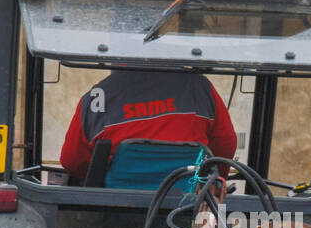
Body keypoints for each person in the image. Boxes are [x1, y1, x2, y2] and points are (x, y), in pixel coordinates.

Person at [59, 69, 237, 182]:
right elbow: (225, 145)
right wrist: (213, 183)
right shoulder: (200, 87)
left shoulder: (98, 97)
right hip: (189, 212)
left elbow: (72, 162)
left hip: (114, 215)